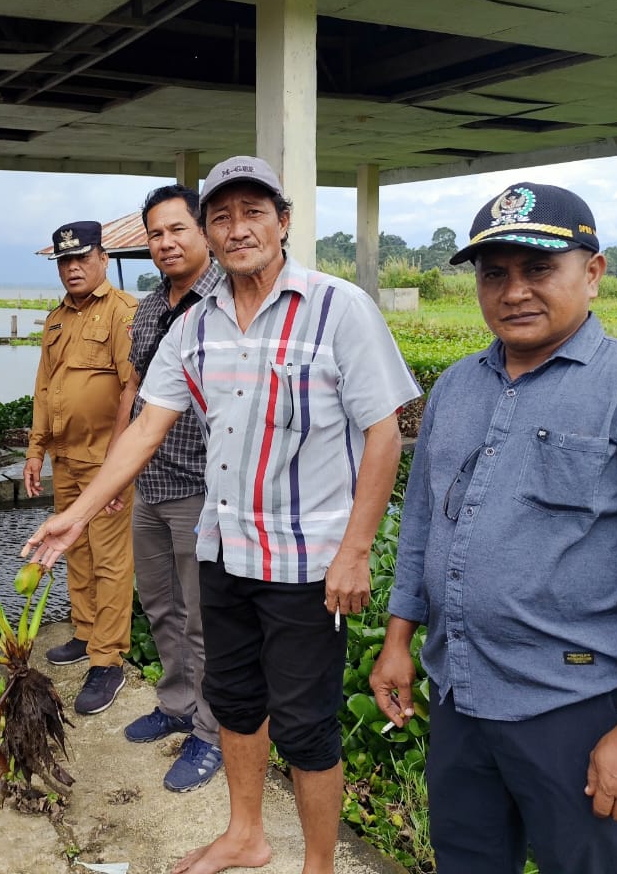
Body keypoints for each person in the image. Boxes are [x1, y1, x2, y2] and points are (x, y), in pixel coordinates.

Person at [24, 157, 420, 874]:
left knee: (307, 727)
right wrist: (77, 513)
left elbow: (383, 433)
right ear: (210, 231)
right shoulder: (195, 326)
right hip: (224, 550)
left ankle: (319, 865)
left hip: (308, 564)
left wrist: (357, 549)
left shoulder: (338, 307)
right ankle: (246, 834)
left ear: (283, 221)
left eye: (253, 213)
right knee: (235, 703)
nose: (237, 230)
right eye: (222, 217)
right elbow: (146, 426)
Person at [369, 182, 617, 874]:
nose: (514, 292)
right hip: (460, 693)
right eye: (494, 274)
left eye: (538, 269)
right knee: (466, 861)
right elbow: (421, 524)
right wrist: (398, 642)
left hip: (577, 710)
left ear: (592, 273)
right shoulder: (457, 387)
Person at [109, 185, 223, 792]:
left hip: (202, 489)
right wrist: (117, 470)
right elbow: (134, 393)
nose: (166, 243)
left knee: (203, 618)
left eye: (178, 229)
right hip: (149, 485)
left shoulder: (227, 301)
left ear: (203, 232)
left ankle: (211, 731)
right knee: (159, 605)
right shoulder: (151, 306)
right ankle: (177, 703)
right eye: (155, 234)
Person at [23, 220, 138, 716]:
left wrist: (119, 465)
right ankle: (86, 631)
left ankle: (108, 659)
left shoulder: (123, 313)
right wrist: (36, 450)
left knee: (110, 558)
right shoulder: (55, 319)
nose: (73, 268)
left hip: (106, 461)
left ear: (102, 260)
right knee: (76, 549)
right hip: (66, 458)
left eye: (82, 258)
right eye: (65, 261)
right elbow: (44, 388)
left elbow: (133, 391)